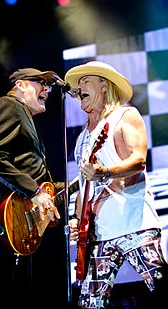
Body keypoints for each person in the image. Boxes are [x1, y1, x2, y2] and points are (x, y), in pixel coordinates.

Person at [64, 61, 168, 308]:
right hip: (99, 234)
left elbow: (138, 160)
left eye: (86, 81)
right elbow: (84, 187)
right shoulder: (82, 138)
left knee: (162, 287)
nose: (79, 88)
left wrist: (104, 171)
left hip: (134, 225)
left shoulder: (125, 115)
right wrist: (77, 220)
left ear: (103, 85)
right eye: (78, 85)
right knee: (90, 303)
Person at [0, 67, 64, 294]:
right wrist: (34, 191)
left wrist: (74, 185)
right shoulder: (10, 105)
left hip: (22, 220)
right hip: (7, 215)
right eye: (41, 83)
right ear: (21, 85)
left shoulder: (22, 114)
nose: (47, 89)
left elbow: (32, 173)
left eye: (49, 86)